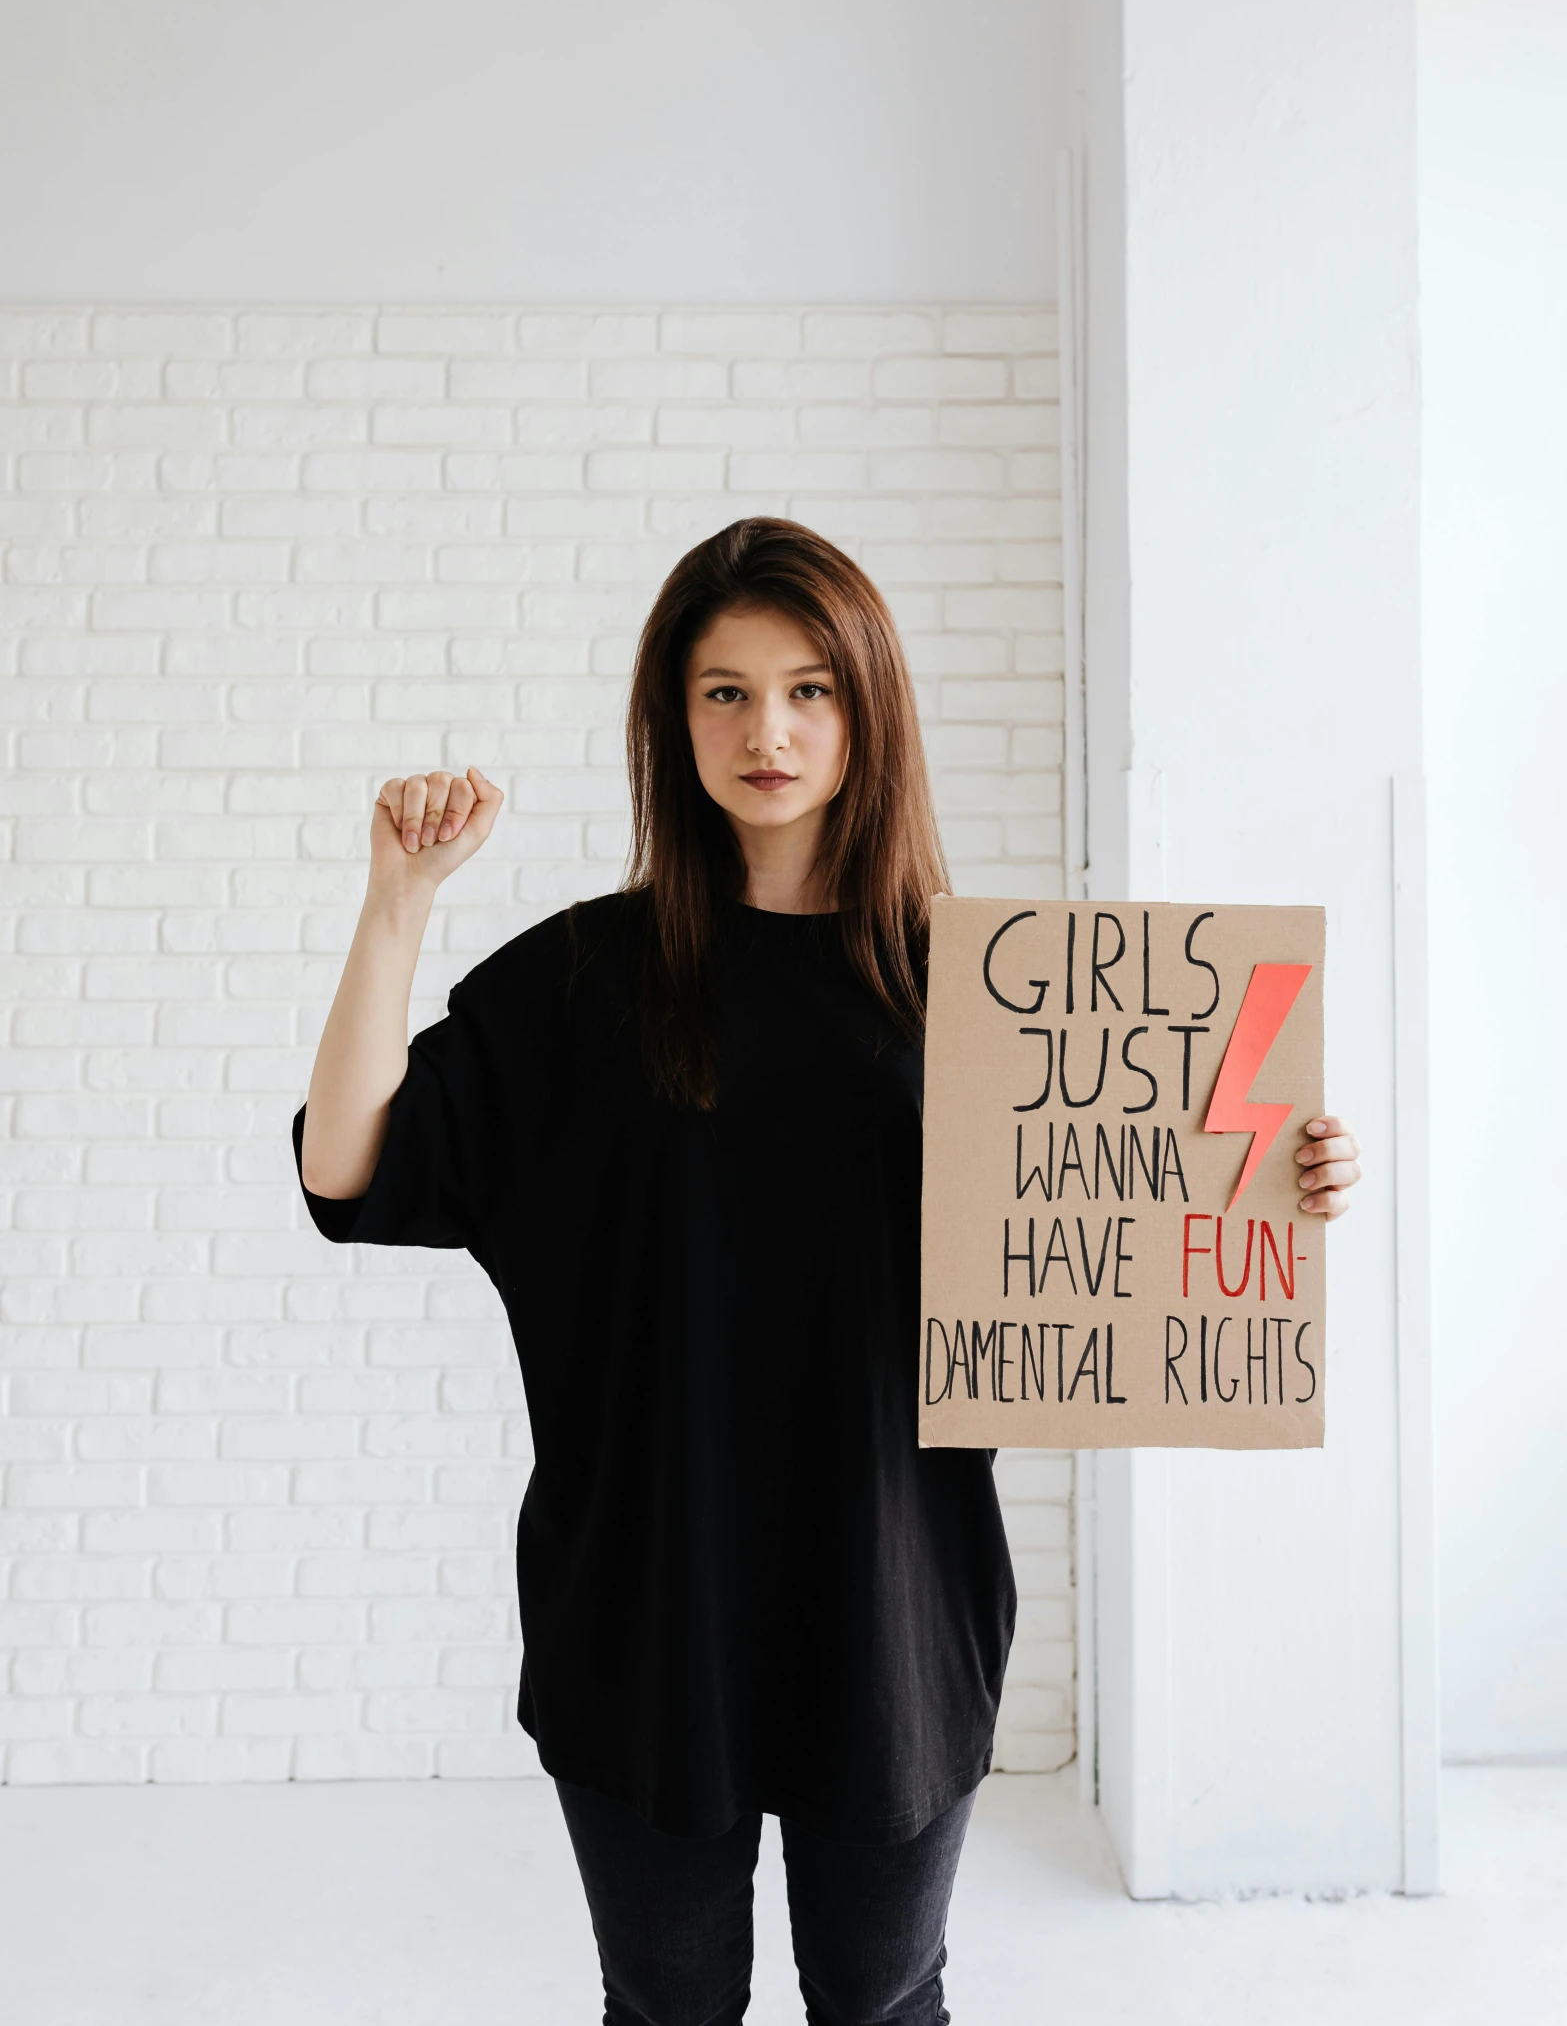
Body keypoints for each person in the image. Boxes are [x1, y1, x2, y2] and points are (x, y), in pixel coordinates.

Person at [295, 516, 1362, 2026]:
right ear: (672, 718)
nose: (768, 730)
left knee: (882, 1998)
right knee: (667, 2007)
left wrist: (1281, 1174)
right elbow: (345, 1165)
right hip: (646, 1612)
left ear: (869, 709)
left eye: (808, 688)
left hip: (895, 1605)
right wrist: (397, 902)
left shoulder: (995, 999)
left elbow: (1142, 1226)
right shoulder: (585, 984)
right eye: (723, 691)